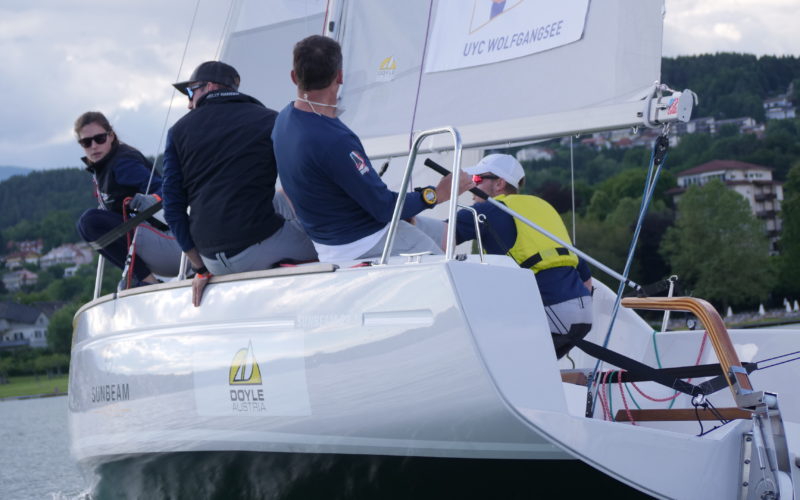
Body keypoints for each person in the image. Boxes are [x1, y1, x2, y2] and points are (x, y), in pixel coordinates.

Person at [271, 35, 473, 263]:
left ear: (294, 77)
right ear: (339, 76)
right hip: (364, 242)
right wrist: (437, 194)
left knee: (443, 234)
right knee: (444, 264)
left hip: (331, 240)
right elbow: (384, 208)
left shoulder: (282, 122)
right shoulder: (336, 141)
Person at [162, 61, 317, 307]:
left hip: (211, 258)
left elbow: (172, 208)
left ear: (210, 87)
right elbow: (305, 181)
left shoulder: (178, 131)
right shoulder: (269, 120)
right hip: (258, 248)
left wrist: (200, 268)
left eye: (191, 92)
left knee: (278, 199)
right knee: (329, 246)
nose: (189, 102)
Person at [435, 154, 593, 358]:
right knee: (530, 366)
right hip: (582, 314)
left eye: (476, 180)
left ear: (499, 183)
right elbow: (586, 281)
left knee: (477, 352)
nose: (470, 189)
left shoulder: (487, 210)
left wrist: (434, 197)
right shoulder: (542, 208)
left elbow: (437, 239)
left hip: (549, 313)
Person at [74, 111, 182, 288]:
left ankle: (146, 281)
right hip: (156, 245)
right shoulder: (103, 167)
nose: (93, 146)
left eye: (99, 138)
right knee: (84, 225)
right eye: (86, 142)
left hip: (171, 242)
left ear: (111, 136)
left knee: (89, 222)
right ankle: (142, 278)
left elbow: (164, 188)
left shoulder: (123, 163)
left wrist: (152, 198)